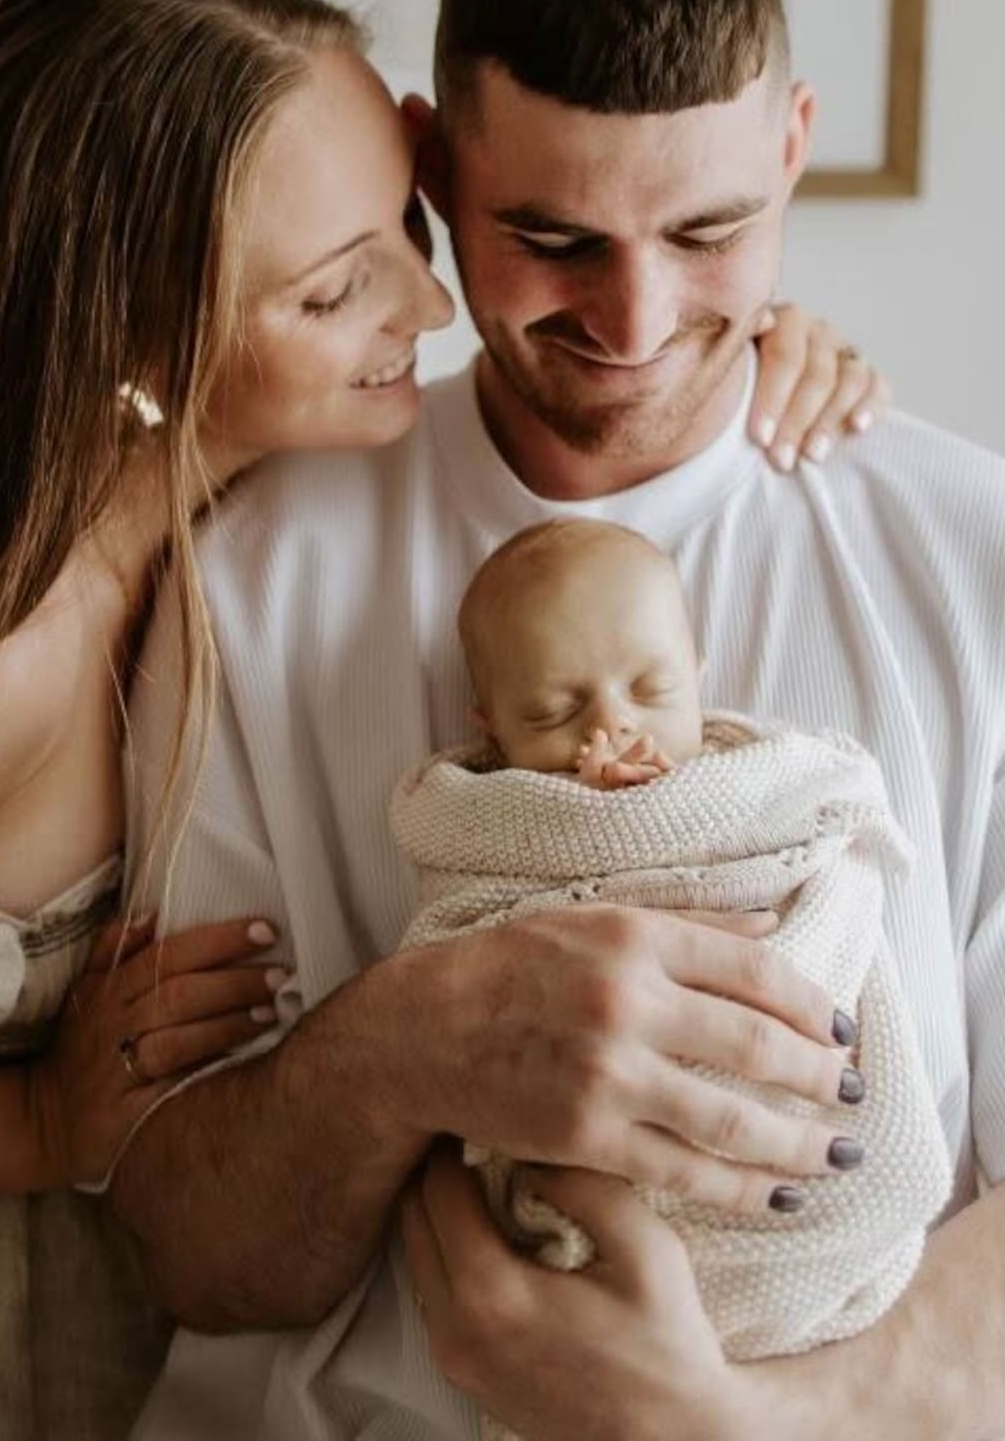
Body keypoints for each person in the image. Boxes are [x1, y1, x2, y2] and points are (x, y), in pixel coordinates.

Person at [0, 0, 873, 1441]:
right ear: (139, 346)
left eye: (402, 227)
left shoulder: (201, 504)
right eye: (333, 293)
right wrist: (40, 1120)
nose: (427, 310)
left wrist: (734, 342)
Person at [113, 0, 1005, 1441]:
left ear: (795, 147)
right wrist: (407, 1049)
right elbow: (183, 1237)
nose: (637, 322)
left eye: (709, 232)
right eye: (559, 239)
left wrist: (725, 1419)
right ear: (434, 173)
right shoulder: (245, 575)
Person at [390, 515, 949, 1412]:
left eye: (650, 687)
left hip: (784, 1093)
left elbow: (835, 859)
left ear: (695, 668)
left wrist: (794, 950)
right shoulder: (486, 823)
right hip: (597, 1173)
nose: (610, 725)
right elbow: (453, 952)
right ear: (490, 725)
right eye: (552, 711)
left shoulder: (761, 783)